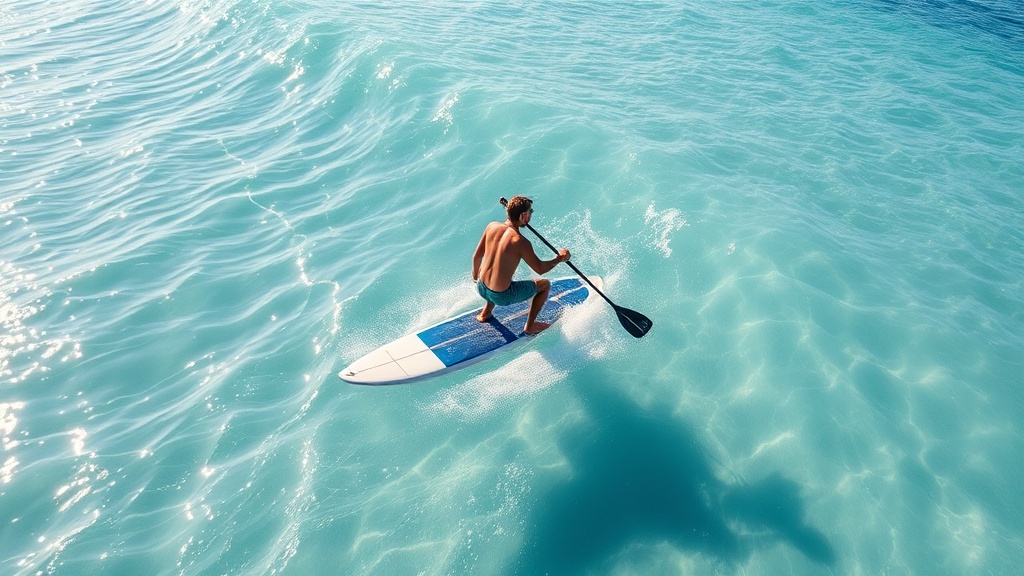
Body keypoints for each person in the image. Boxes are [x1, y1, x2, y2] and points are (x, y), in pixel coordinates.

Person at [472, 196, 571, 334]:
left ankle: (486, 312)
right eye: (530, 211)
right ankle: (530, 326)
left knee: (498, 272)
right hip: (501, 296)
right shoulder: (520, 242)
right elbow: (540, 269)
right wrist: (560, 258)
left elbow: (477, 256)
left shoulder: (491, 226)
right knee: (544, 285)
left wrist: (476, 277)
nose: (531, 214)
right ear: (523, 215)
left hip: (481, 288)